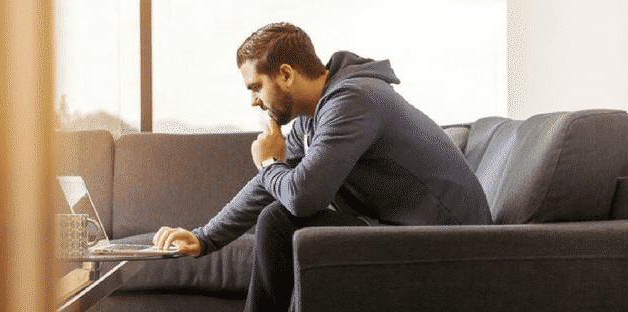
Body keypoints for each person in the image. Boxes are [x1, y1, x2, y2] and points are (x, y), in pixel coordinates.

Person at [153, 22, 491, 311]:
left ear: (285, 74)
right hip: (404, 231)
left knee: (281, 220)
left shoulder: (353, 100)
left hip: (449, 244)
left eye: (256, 86)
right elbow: (266, 189)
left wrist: (271, 163)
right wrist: (204, 238)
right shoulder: (315, 117)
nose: (254, 100)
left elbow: (303, 197)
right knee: (277, 216)